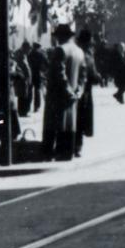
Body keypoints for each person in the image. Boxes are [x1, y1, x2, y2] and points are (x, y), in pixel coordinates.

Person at [42, 22, 85, 160]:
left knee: (53, 124)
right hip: (72, 95)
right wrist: (78, 91)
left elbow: (59, 74)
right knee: (69, 124)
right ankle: (67, 152)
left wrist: (68, 91)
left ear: (59, 36)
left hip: (57, 95)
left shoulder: (60, 50)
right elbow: (83, 75)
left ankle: (49, 153)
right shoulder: (79, 51)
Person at [74, 29, 101, 157]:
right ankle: (77, 146)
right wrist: (97, 77)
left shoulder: (79, 51)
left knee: (78, 119)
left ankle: (76, 145)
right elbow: (92, 72)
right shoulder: (87, 54)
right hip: (83, 91)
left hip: (81, 89)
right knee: (80, 119)